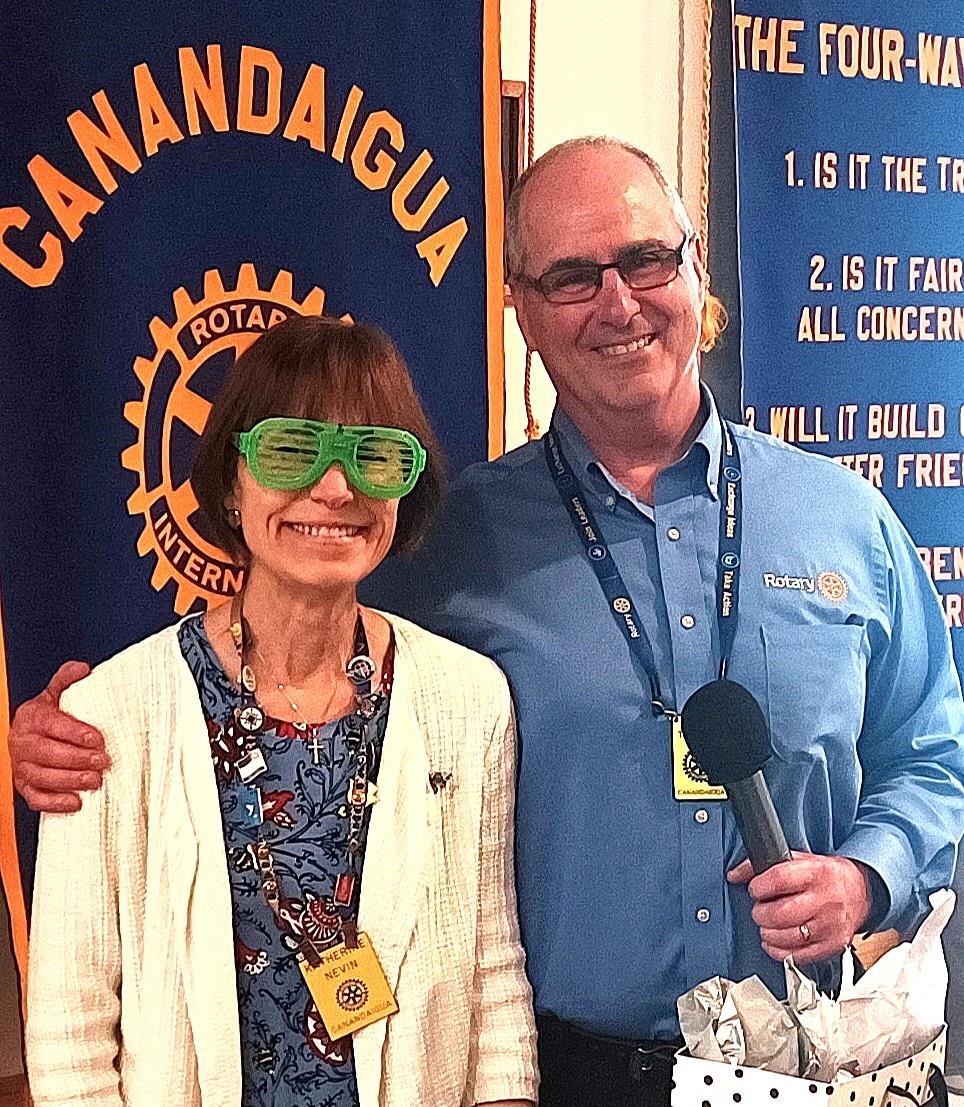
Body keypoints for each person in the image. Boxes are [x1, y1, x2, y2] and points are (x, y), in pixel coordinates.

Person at [12, 138, 964, 1107]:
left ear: (695, 269)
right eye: (572, 277)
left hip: (804, 1067)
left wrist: (867, 875)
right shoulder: (447, 551)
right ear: (521, 309)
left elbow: (933, 754)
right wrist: (78, 728)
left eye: (646, 259)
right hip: (563, 1077)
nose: (618, 303)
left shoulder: (847, 522)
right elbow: (286, 663)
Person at [23, 316, 537, 1107]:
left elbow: (492, 976)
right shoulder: (109, 717)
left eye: (374, 456)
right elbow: (70, 1035)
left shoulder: (469, 700)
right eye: (294, 450)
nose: (336, 489)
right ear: (232, 484)